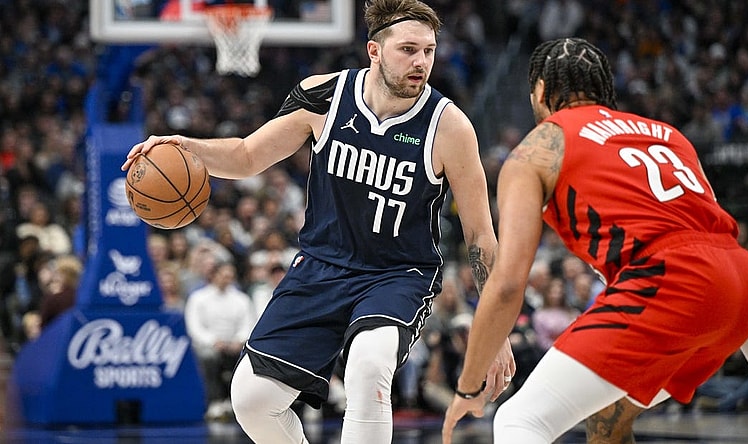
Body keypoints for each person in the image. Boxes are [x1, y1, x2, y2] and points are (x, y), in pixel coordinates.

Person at [122, 0, 515, 441]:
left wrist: (496, 329)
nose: (421, 62)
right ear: (374, 51)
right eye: (408, 49)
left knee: (368, 366)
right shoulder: (323, 96)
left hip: (397, 275)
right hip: (322, 266)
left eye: (429, 50)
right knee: (251, 400)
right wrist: (187, 146)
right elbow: (249, 155)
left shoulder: (450, 128)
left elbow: (481, 233)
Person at [442, 37, 748, 444]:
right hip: (742, 288)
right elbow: (718, 256)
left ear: (539, 92)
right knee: (608, 417)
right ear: (604, 90)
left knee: (519, 421)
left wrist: (468, 387)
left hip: (670, 285)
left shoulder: (537, 148)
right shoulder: (668, 136)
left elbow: (507, 284)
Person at [184, 261, 256, 421]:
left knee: (247, 358)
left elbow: (249, 323)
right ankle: (214, 401)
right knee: (209, 358)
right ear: (214, 276)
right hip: (208, 345)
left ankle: (235, 401)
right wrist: (213, 341)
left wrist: (238, 340)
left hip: (235, 344)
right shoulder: (198, 298)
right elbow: (194, 327)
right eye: (224, 275)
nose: (227, 279)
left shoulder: (241, 299)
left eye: (230, 276)